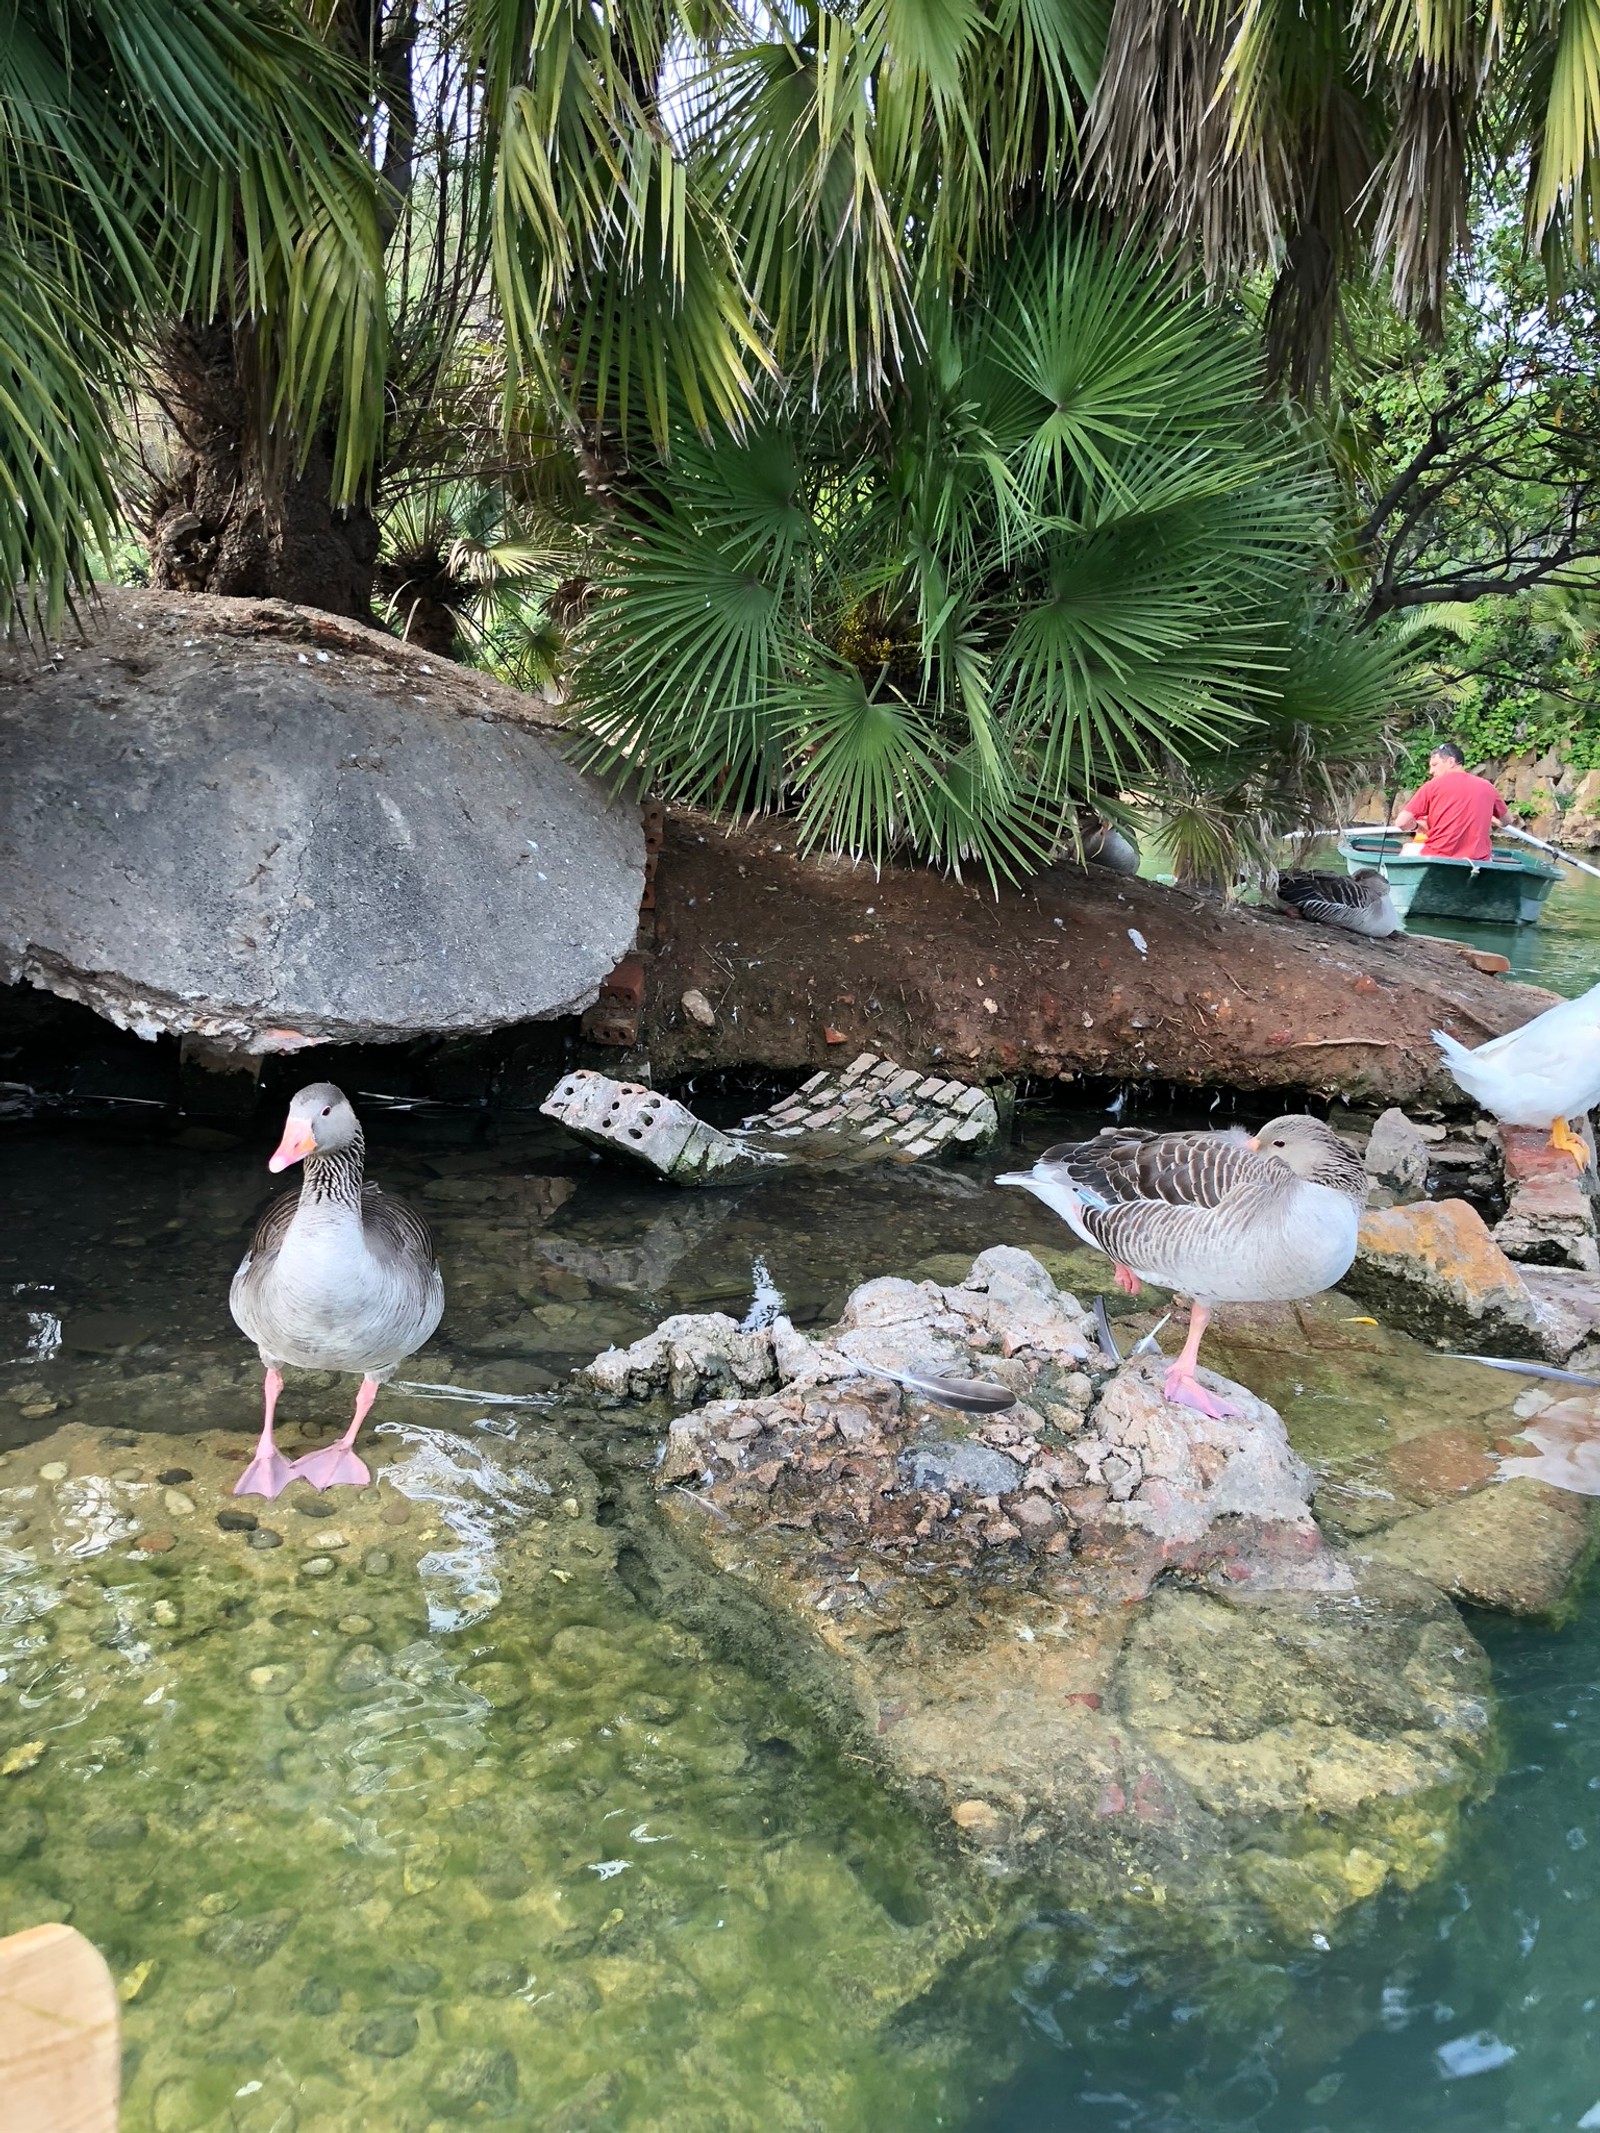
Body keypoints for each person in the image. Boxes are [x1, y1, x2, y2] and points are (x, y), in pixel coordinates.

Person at [1393, 740, 1507, 861]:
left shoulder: (1432, 786)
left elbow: (1401, 823)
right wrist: (1489, 817)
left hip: (1438, 856)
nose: (1431, 771)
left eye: (1435, 765)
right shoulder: (1488, 786)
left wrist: (1416, 826)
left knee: (1407, 848)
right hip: (1479, 860)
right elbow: (1506, 821)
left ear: (1451, 762)